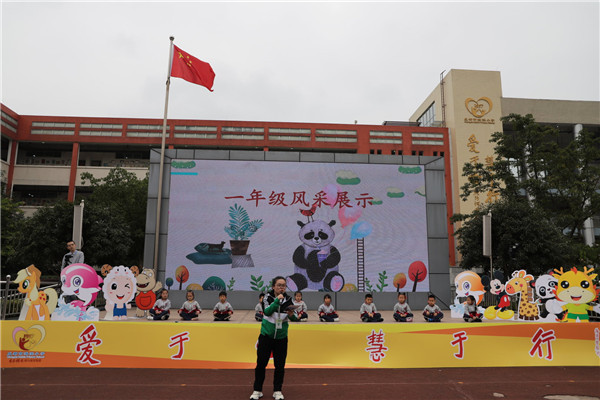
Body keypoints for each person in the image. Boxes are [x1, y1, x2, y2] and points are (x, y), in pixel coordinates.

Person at [250, 276, 297, 400]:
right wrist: (277, 301)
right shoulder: (267, 297)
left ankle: (277, 390)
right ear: (273, 287)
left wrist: (291, 315)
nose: (282, 288)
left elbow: (294, 318)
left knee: (280, 366)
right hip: (266, 337)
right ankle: (257, 390)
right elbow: (267, 311)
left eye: (284, 286)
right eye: (279, 285)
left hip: (281, 338)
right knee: (261, 364)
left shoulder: (289, 300)